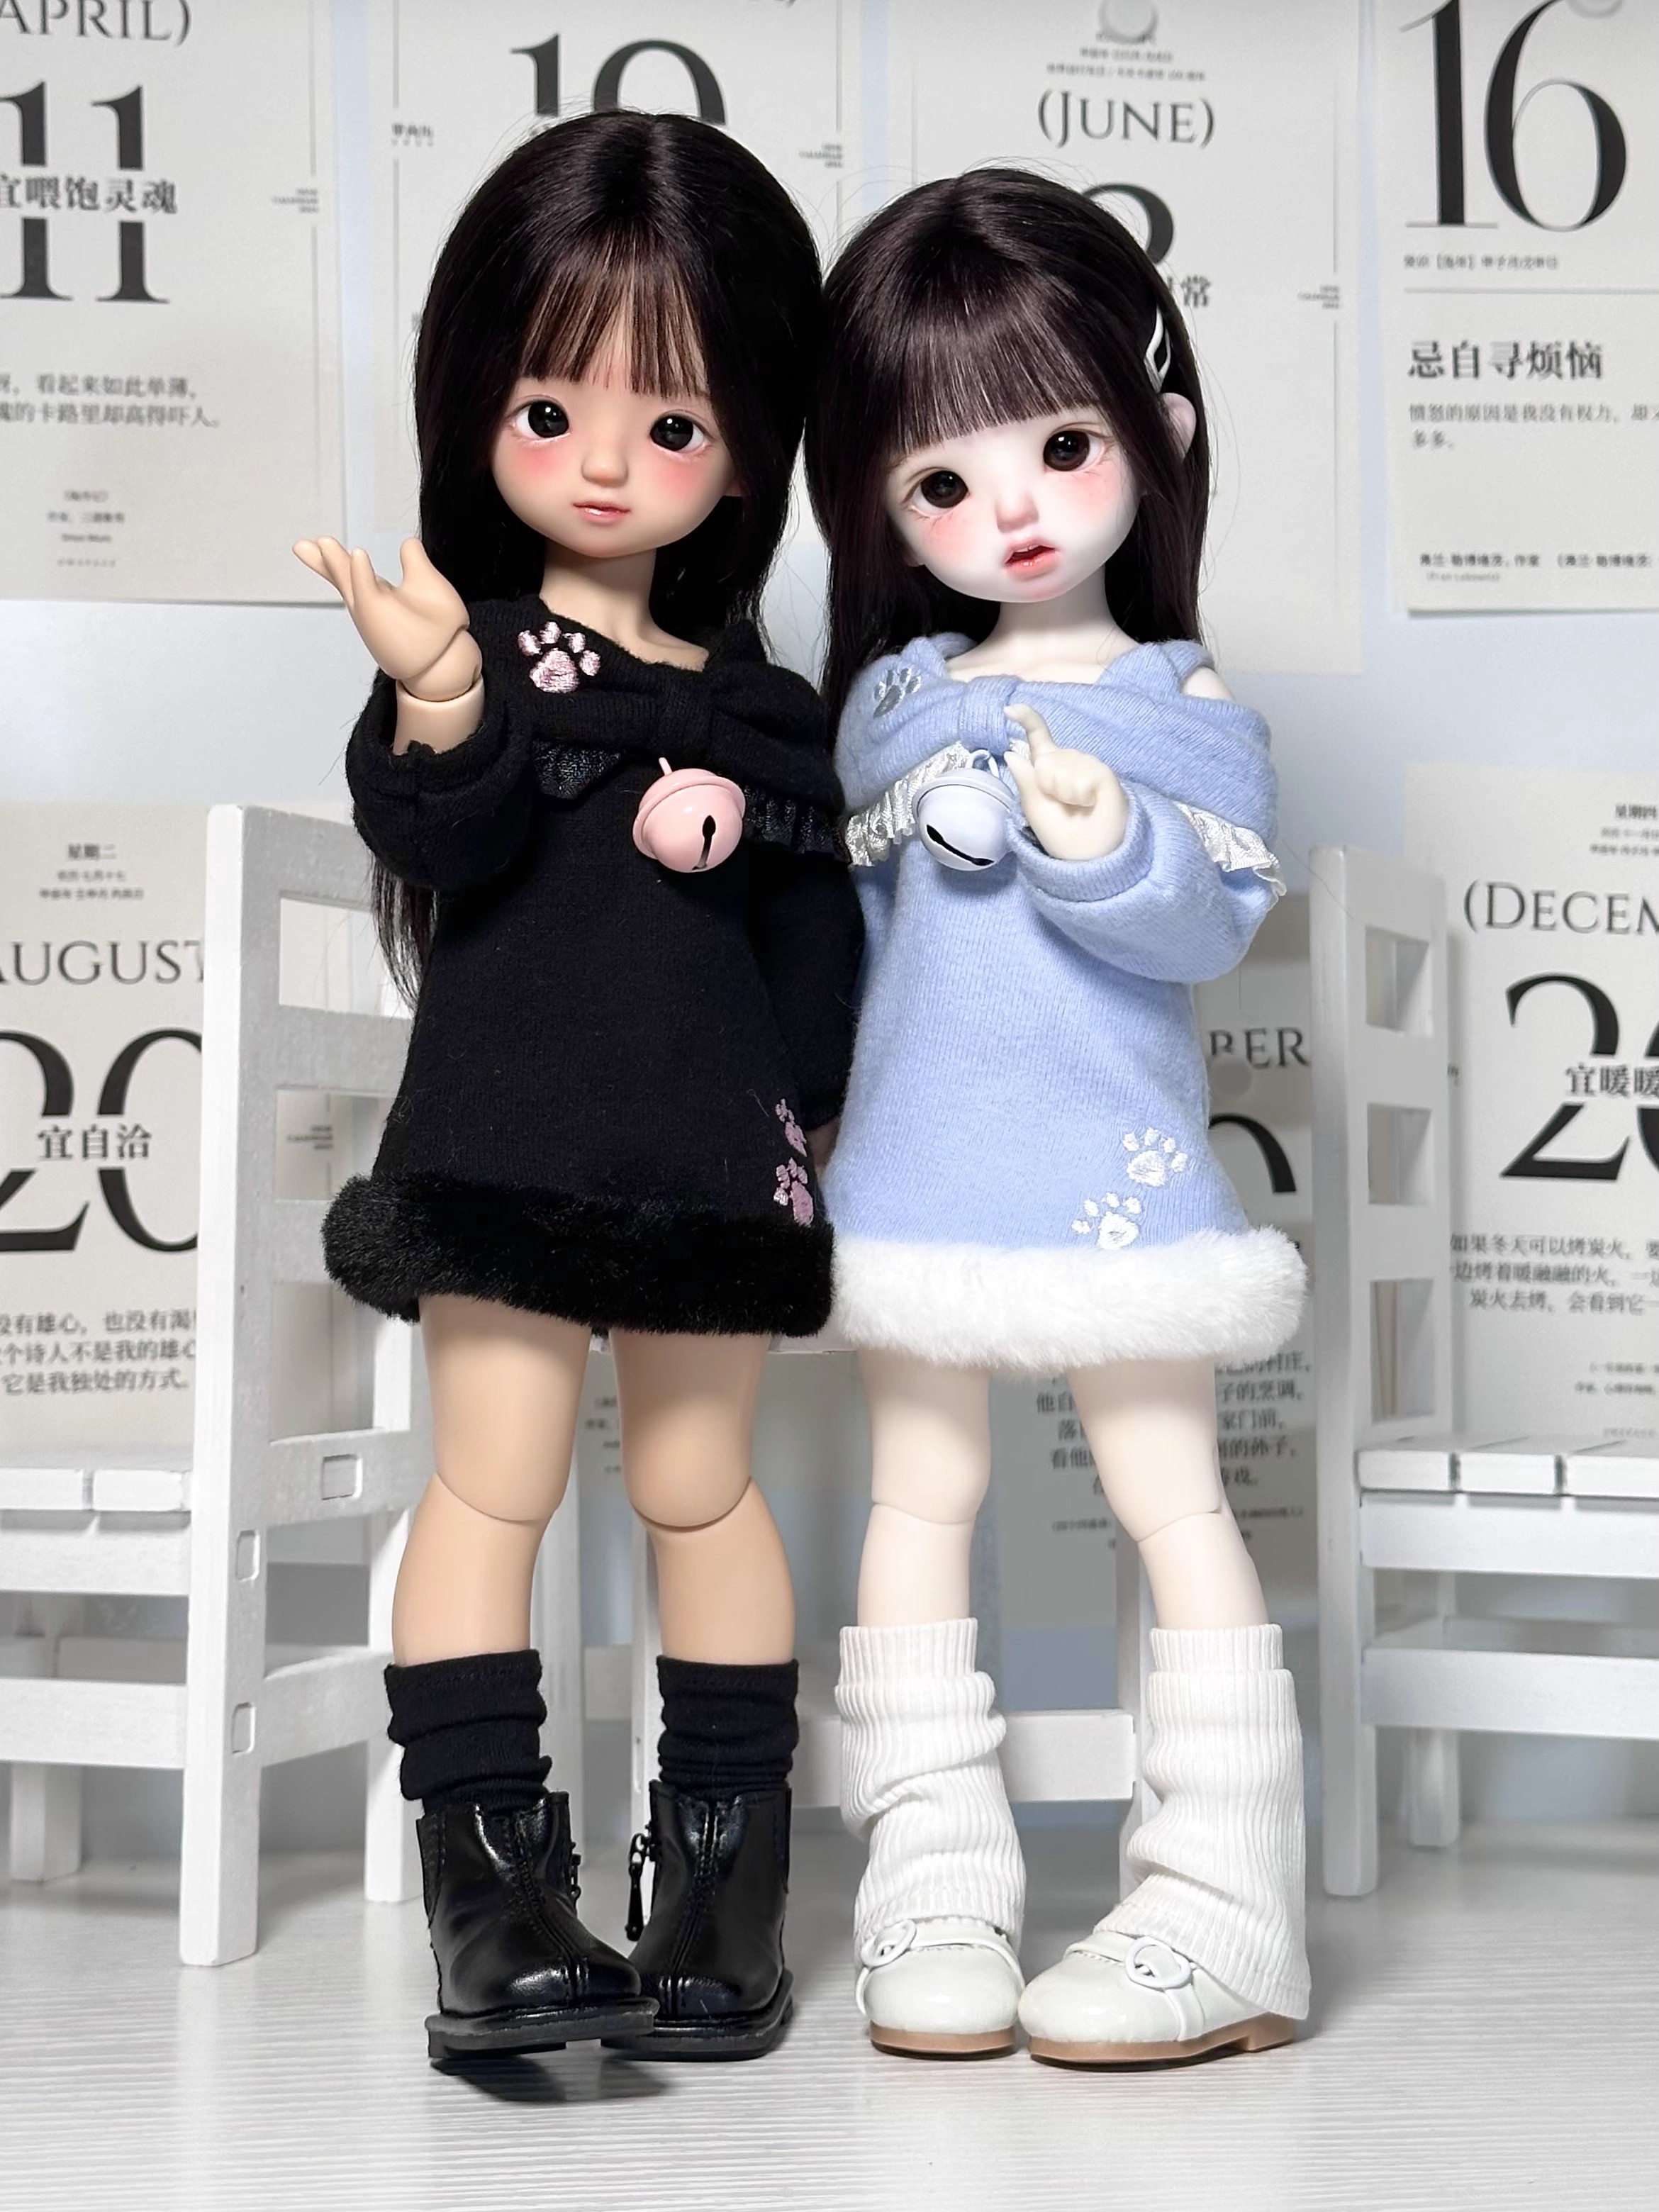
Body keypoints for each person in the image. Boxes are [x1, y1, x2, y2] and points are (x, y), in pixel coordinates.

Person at [297, 108, 861, 2065]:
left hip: (711, 1163)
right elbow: (436, 835)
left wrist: (810, 1119)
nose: (608, 461)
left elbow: (815, 955)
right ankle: (492, 1888)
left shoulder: (769, 715)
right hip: (507, 1145)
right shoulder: (472, 656)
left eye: (671, 422)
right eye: (552, 411)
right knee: (493, 1480)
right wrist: (440, 696)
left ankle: (720, 1877)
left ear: (747, 452)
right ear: (478, 413)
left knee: (705, 1488)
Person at [805, 169, 1309, 2065]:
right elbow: (854, 955)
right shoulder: (892, 710)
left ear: (1154, 431)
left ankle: (1224, 1906)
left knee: (1172, 1500)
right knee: (913, 1505)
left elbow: (1209, 927)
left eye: (1063, 446)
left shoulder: (1178, 701)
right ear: (877, 505)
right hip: (920, 1170)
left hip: (1115, 1174)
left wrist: (1105, 848)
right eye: (942, 480)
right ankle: (931, 1880)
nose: (1009, 508)